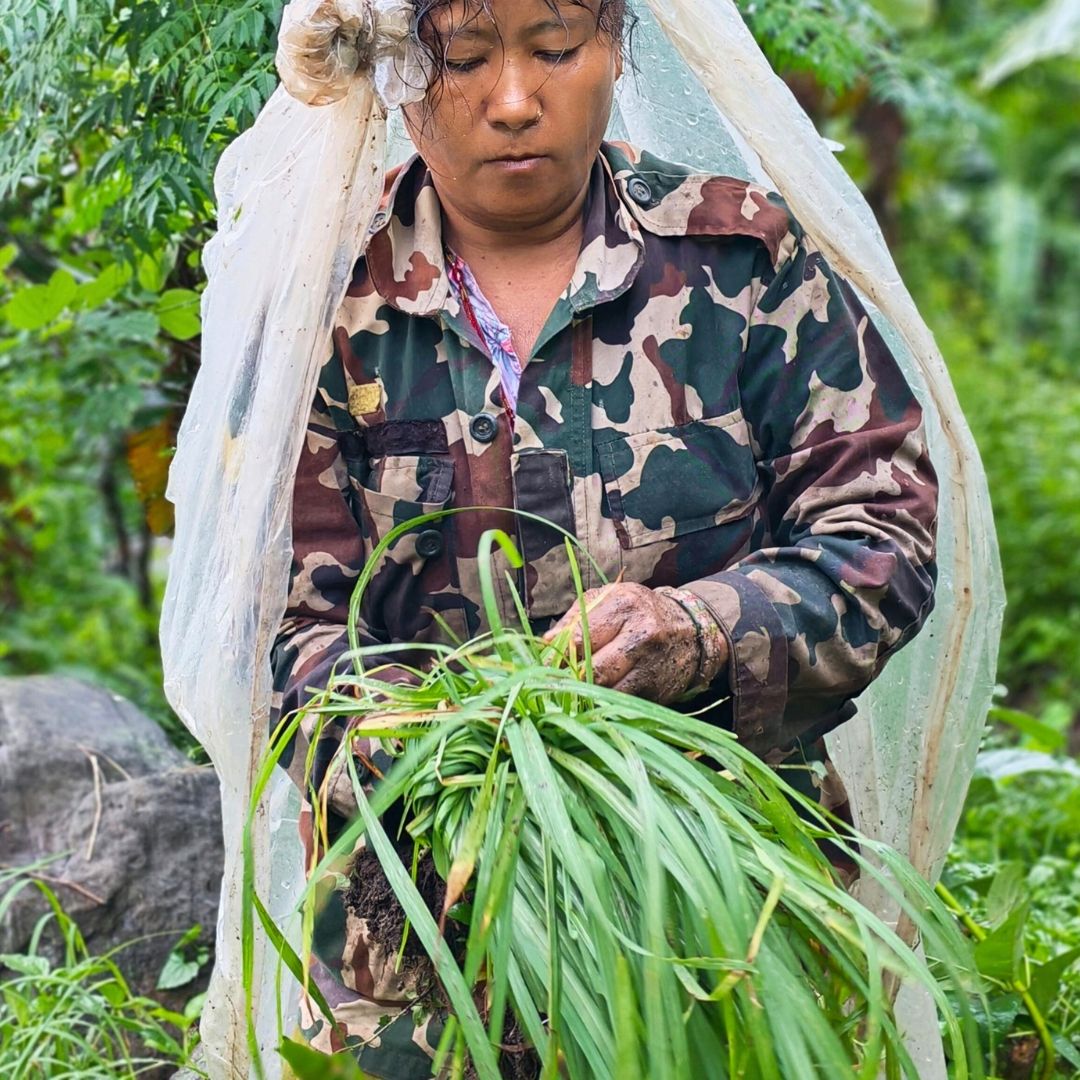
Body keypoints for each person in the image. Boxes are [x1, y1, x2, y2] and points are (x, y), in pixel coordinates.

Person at [267, 0, 938, 1072]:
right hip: (418, 953)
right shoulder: (327, 306)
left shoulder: (742, 263)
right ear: (396, 73)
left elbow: (881, 532)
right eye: (465, 59)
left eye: (555, 48)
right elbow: (278, 624)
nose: (516, 101)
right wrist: (425, 745)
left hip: (723, 919)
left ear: (619, 44)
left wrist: (697, 628)